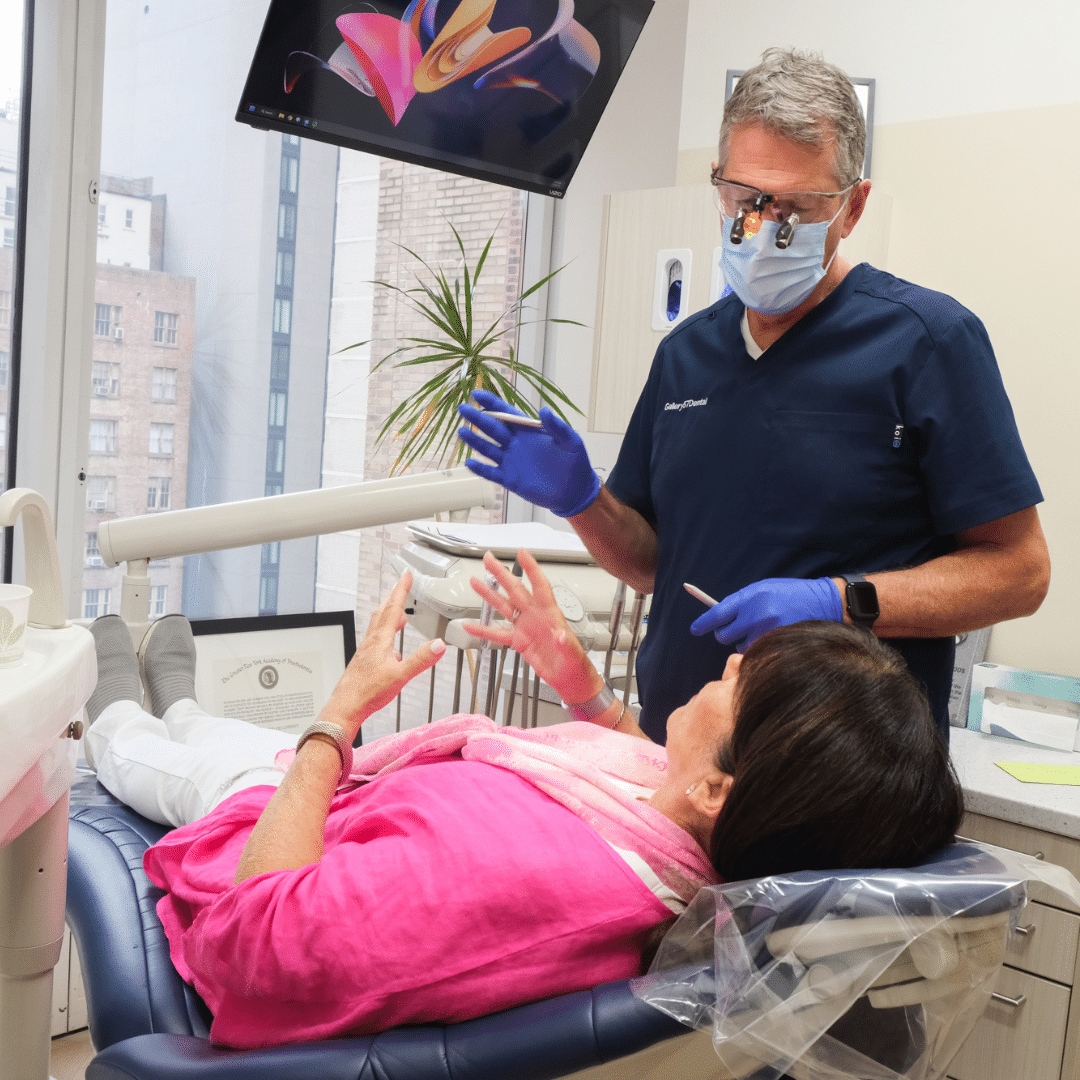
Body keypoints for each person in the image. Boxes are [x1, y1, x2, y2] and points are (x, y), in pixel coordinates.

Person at [82, 550, 962, 1050]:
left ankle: (113, 699)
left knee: (152, 755)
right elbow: (645, 770)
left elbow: (259, 940)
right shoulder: (680, 837)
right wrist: (581, 686)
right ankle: (179, 696)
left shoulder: (527, 881)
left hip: (270, 830)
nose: (731, 662)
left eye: (745, 683)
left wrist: (337, 718)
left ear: (717, 787)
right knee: (210, 728)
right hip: (353, 806)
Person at [457, 48, 1050, 746]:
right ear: (719, 183)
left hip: (847, 769)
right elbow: (649, 566)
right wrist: (583, 499)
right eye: (746, 199)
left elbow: (1020, 573)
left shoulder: (927, 341)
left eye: (796, 207)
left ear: (853, 207)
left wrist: (839, 602)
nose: (765, 228)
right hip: (681, 753)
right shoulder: (685, 355)